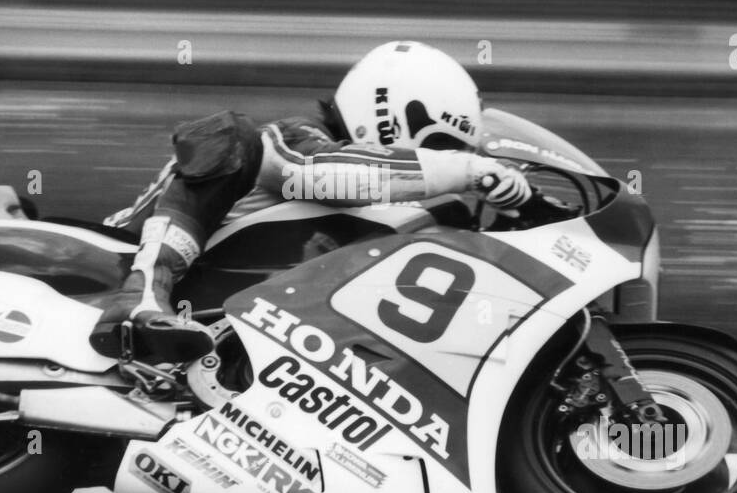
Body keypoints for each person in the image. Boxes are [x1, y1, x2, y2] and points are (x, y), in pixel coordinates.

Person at [89, 40, 533, 363]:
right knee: (233, 134)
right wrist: (471, 171)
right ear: (390, 111)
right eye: (439, 144)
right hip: (114, 255)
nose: (447, 159)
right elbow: (323, 175)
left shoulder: (394, 218)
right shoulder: (302, 142)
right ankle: (142, 292)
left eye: (455, 151)